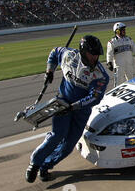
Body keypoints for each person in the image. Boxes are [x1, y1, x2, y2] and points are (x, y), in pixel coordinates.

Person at [25, 35, 109, 182]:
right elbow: (54, 53)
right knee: (58, 134)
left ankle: (46, 165)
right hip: (62, 102)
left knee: (68, 146)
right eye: (92, 54)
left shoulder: (100, 75)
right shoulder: (69, 56)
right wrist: (49, 71)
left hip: (81, 110)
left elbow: (95, 98)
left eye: (97, 55)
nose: (95, 58)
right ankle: (34, 163)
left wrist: (74, 107)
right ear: (83, 51)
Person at [106, 22, 135, 87]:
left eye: (124, 30)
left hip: (129, 64)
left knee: (131, 81)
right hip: (119, 66)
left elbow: (134, 48)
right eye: (122, 30)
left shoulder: (128, 39)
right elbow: (109, 53)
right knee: (118, 83)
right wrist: (109, 62)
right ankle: (116, 94)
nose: (124, 31)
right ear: (117, 31)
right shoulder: (112, 42)